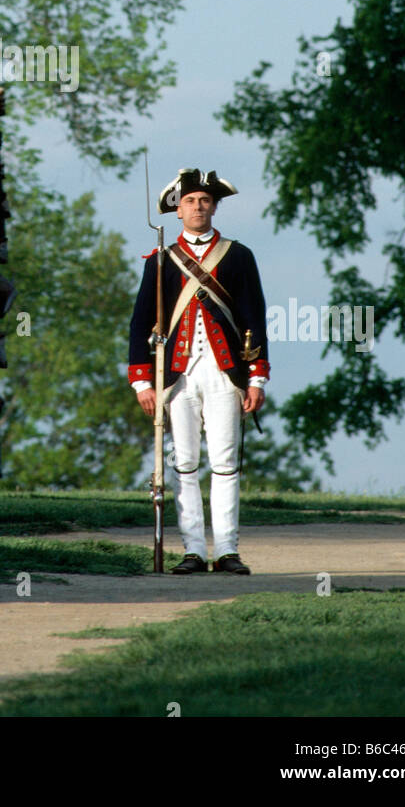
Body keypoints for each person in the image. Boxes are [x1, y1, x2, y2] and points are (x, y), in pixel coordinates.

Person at [129, 168, 268, 574]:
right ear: (178, 210)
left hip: (226, 373)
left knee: (225, 463)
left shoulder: (238, 255)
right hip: (176, 375)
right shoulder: (161, 260)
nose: (197, 207)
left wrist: (256, 375)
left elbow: (253, 317)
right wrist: (142, 381)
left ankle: (227, 551)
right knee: (184, 463)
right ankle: (193, 550)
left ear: (214, 206)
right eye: (189, 201)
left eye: (204, 200)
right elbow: (141, 323)